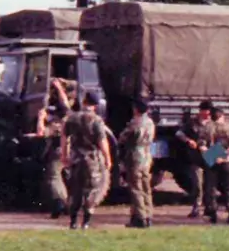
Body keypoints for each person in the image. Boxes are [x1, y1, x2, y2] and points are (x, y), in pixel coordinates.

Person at [61, 90, 112, 229]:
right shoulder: (97, 120)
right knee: (91, 190)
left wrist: (64, 156)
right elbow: (102, 141)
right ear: (95, 105)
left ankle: (72, 222)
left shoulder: (72, 118)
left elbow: (64, 138)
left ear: (84, 101)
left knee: (75, 190)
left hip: (75, 159)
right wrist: (108, 158)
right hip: (92, 160)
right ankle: (86, 222)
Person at [33, 78, 70, 219]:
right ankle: (66, 204)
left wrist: (40, 119)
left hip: (59, 151)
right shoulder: (67, 117)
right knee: (61, 176)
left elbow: (40, 133)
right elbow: (65, 105)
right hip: (69, 150)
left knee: (53, 176)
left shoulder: (55, 124)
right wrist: (59, 88)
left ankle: (59, 203)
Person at [118, 95, 156, 228]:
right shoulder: (150, 122)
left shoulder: (135, 122)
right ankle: (148, 214)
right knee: (146, 186)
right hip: (147, 154)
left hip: (135, 155)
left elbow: (123, 137)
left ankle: (140, 217)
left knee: (135, 187)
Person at [200, 107, 229, 224]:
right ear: (222, 115)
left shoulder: (207, 127)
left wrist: (211, 155)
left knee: (211, 187)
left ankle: (212, 213)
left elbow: (202, 145)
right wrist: (225, 153)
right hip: (227, 161)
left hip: (212, 160)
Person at [175, 101, 213, 218]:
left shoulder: (213, 124)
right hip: (195, 156)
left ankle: (210, 208)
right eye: (205, 110)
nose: (207, 113)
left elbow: (222, 138)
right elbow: (179, 133)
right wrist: (188, 140)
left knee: (211, 183)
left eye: (209, 111)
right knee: (197, 183)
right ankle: (196, 207)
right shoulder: (192, 122)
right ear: (201, 110)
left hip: (211, 154)